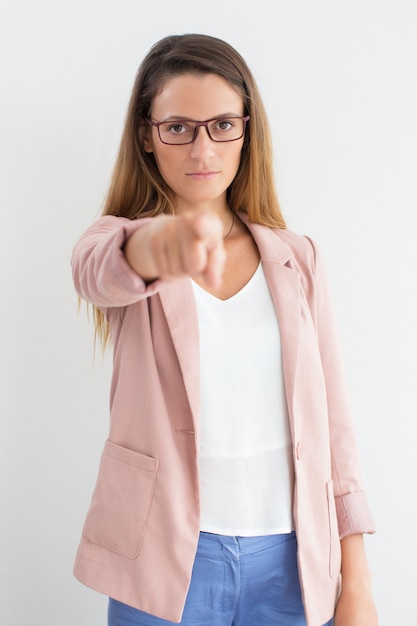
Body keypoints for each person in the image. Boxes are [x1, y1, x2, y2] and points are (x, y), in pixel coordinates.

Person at [71, 34, 378, 626]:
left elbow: (336, 428)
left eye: (222, 125)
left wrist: (357, 581)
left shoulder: (298, 258)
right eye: (179, 127)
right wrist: (163, 245)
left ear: (246, 131)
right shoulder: (120, 244)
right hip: (164, 563)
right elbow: (98, 272)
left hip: (292, 563)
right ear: (147, 136)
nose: (202, 147)